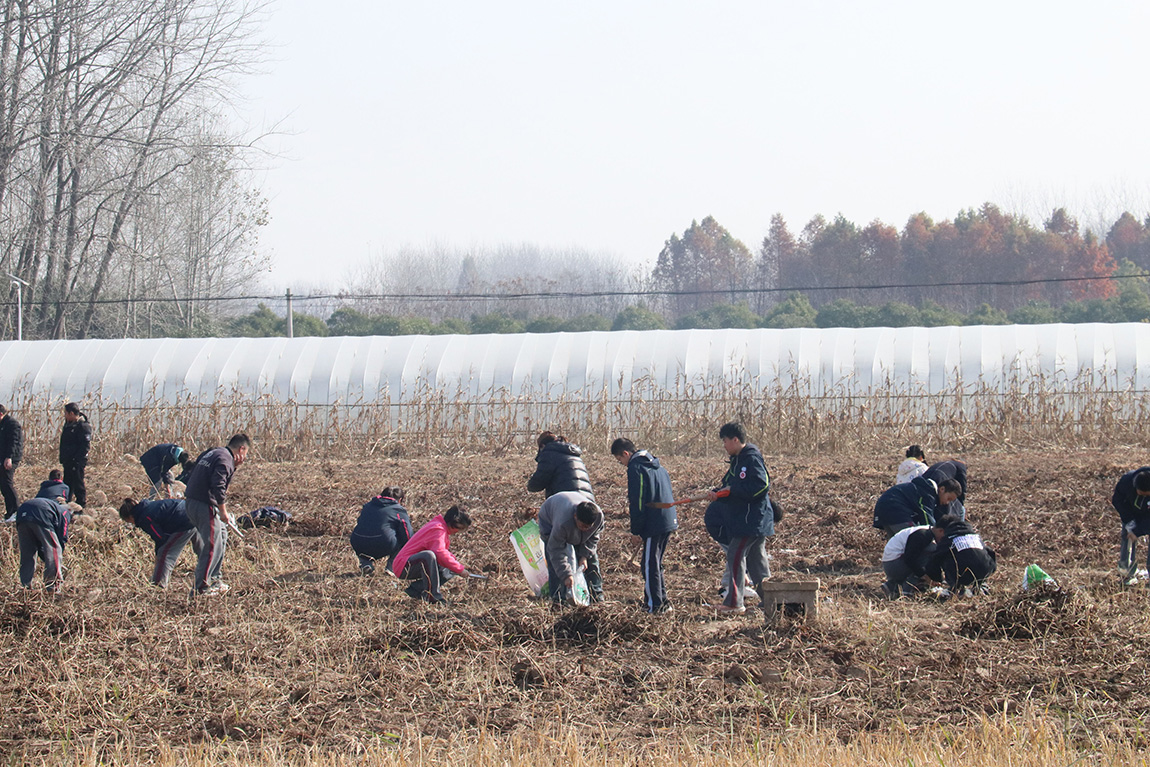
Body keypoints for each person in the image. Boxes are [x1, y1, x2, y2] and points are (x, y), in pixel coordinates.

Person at [704, 422, 775, 615]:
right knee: (756, 561)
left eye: (725, 441)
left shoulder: (751, 459)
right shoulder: (737, 460)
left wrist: (732, 490)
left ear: (735, 440)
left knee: (735, 555)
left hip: (751, 520)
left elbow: (762, 486)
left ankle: (734, 602)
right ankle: (771, 600)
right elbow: (730, 483)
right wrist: (718, 492)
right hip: (749, 520)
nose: (724, 445)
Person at [611, 437, 676, 614]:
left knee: (649, 564)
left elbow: (637, 501)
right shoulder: (656, 465)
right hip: (667, 518)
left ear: (625, 454)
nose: (622, 464)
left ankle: (654, 606)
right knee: (654, 562)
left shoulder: (636, 467)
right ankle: (661, 601)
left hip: (654, 521)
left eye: (620, 460)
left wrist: (636, 530)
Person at [184, 434, 250, 596]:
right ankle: (201, 588)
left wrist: (235, 467)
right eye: (246, 453)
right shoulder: (225, 459)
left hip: (192, 501)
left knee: (222, 536)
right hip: (204, 505)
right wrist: (223, 512)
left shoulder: (215, 452)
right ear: (242, 449)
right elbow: (219, 487)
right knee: (212, 546)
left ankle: (215, 579)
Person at [391, 505, 472, 604]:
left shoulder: (440, 527)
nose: (458, 532)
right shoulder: (438, 529)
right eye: (460, 528)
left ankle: (416, 589)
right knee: (428, 556)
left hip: (412, 563)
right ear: (454, 524)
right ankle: (432, 596)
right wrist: (460, 569)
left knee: (449, 567)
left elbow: (443, 554)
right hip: (403, 565)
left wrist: (456, 566)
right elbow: (439, 552)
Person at [537, 490, 604, 605]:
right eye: (582, 526)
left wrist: (584, 556)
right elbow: (556, 550)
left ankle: (597, 599)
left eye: (589, 527)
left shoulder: (598, 517)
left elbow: (593, 537)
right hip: (549, 521)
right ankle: (559, 602)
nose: (585, 529)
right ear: (575, 517)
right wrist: (566, 574)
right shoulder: (563, 523)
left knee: (591, 562)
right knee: (556, 567)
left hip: (569, 516)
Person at [119, 496, 201, 588]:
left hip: (184, 521)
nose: (131, 524)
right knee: (202, 549)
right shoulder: (147, 506)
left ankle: (158, 585)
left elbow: (160, 537)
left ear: (130, 516)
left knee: (165, 554)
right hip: (193, 512)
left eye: (129, 521)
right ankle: (210, 571)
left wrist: (158, 554)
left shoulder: (144, 518)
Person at [925, 514, 997, 594]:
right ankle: (980, 586)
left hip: (963, 574)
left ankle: (957, 589)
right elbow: (990, 552)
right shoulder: (975, 536)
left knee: (947, 557)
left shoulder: (949, 538)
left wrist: (937, 579)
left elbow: (935, 559)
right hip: (986, 570)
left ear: (943, 530)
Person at [350, 486, 413, 575]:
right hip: (383, 543)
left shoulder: (368, 506)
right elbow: (407, 533)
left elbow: (360, 522)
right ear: (400, 500)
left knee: (363, 538)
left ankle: (365, 564)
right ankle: (391, 568)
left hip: (358, 541)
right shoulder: (398, 510)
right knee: (402, 538)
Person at [872, 476, 961, 538]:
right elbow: (926, 517)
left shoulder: (921, 488)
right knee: (913, 538)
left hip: (884, 510)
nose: (947, 502)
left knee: (896, 543)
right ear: (942, 489)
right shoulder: (928, 493)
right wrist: (934, 533)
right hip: (896, 511)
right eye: (948, 498)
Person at [15, 496, 72, 590]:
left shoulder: (52, 506)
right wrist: (57, 559)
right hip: (40, 514)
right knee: (54, 549)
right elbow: (61, 539)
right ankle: (53, 585)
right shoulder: (66, 513)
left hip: (22, 515)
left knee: (27, 553)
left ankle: (25, 586)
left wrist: (46, 556)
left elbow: (40, 542)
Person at [527, 431, 594, 501]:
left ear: (542, 446)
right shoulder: (573, 453)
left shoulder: (549, 454)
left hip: (568, 502)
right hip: (589, 502)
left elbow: (536, 484)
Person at [1112, 466, 1150, 586]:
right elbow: (1117, 500)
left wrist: (1138, 531)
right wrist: (1129, 520)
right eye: (1142, 494)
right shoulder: (1126, 482)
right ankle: (1127, 573)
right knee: (1127, 537)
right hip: (1131, 513)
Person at [880, 524, 934, 598]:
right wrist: (924, 575)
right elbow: (910, 559)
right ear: (941, 531)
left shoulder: (925, 530)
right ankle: (908, 590)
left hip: (889, 563)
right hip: (894, 564)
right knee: (931, 551)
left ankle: (892, 585)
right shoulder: (923, 535)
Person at [58, 402, 91, 507]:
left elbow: (85, 445)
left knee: (78, 481)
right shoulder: (68, 424)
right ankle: (66, 502)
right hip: (68, 460)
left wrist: (77, 459)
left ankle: (81, 503)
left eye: (66, 413)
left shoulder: (82, 426)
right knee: (67, 482)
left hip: (77, 461)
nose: (65, 415)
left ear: (71, 413)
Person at [0, 405, 23, 521]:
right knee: (3, 485)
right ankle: (9, 512)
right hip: (3, 458)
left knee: (7, 483)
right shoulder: (2, 424)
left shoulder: (12, 424)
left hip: (10, 458)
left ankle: (16, 510)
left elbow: (14, 442)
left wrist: (9, 457)